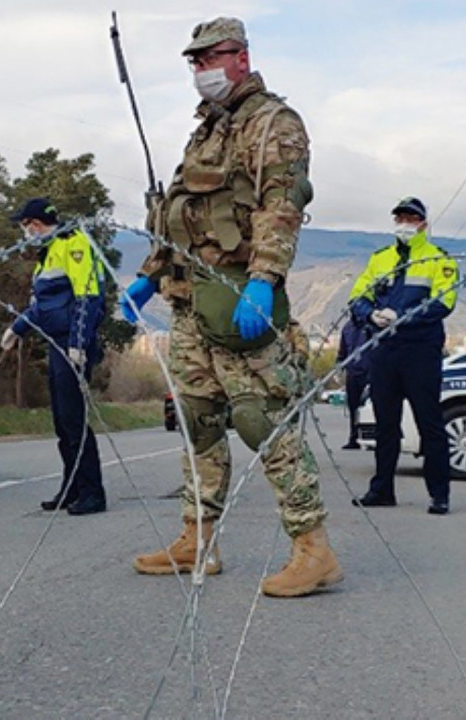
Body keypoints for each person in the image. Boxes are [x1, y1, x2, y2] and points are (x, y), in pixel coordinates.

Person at [121, 16, 340, 597]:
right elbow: (184, 217)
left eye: (211, 57)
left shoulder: (274, 123)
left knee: (261, 421)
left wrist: (265, 279)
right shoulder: (208, 130)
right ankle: (198, 540)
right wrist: (150, 276)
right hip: (192, 302)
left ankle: (313, 550)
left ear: (241, 56)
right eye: (193, 62)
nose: (202, 70)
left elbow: (279, 206)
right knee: (199, 424)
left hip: (241, 297)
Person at [347, 196, 457, 514]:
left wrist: (405, 315)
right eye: (400, 219)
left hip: (420, 350)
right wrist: (371, 315)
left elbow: (444, 301)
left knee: (429, 423)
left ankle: (439, 494)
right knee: (386, 425)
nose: (405, 224)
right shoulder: (380, 259)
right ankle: (382, 489)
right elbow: (358, 295)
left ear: (423, 223)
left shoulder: (438, 259)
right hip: (384, 349)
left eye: (411, 219)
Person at [1, 197, 107, 515]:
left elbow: (88, 296)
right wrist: (18, 328)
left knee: (75, 419)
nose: (25, 233)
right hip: (56, 344)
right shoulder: (47, 255)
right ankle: (71, 486)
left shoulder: (74, 244)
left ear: (35, 223)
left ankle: (92, 493)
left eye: (25, 225)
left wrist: (78, 343)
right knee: (62, 422)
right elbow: (43, 306)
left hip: (72, 345)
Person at [336, 318, 372, 449]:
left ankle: (372, 436)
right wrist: (340, 364)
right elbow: (343, 350)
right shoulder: (347, 328)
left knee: (371, 406)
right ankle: (354, 437)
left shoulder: (370, 326)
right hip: (352, 373)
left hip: (369, 373)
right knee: (353, 407)